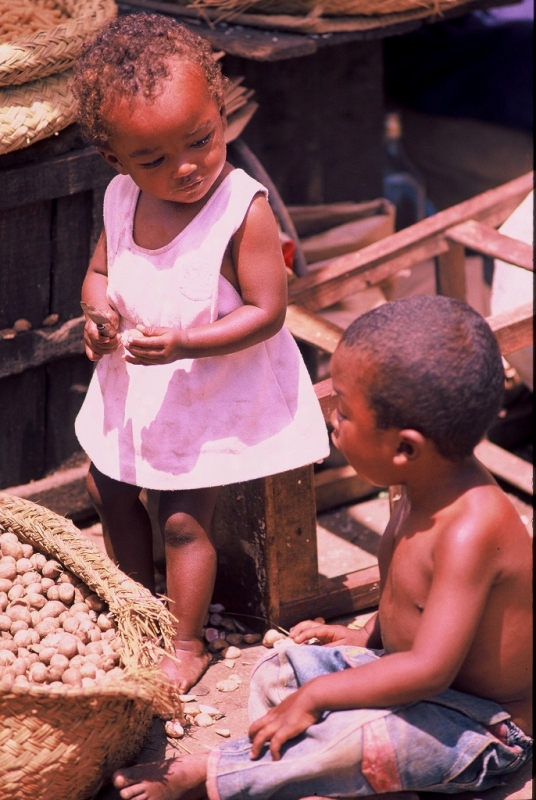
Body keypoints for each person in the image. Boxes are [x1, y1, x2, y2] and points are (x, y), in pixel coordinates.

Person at [112, 296, 532, 799]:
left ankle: (211, 775)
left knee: (366, 738)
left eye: (346, 414)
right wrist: (362, 637)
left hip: (484, 724)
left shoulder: (471, 529)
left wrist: (319, 696)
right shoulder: (421, 485)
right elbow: (415, 601)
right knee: (279, 671)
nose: (333, 420)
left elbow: (429, 668)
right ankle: (290, 766)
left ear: (404, 449)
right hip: (422, 687)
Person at [71, 13, 329, 693]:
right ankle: (137, 604)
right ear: (116, 161)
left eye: (201, 141)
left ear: (221, 115)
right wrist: (96, 314)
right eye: (154, 160)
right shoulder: (122, 200)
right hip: (136, 387)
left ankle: (187, 643)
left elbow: (268, 313)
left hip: (204, 393)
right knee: (107, 486)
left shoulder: (243, 210)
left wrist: (185, 341)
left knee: (184, 518)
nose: (185, 168)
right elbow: (100, 273)